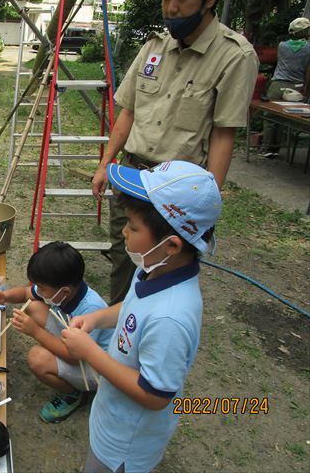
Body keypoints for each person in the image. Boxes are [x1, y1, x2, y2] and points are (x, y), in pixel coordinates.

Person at [91, 0, 257, 305]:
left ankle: (149, 336)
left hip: (175, 189)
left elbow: (223, 135)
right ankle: (118, 331)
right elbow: (128, 111)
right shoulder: (154, 47)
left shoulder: (234, 56)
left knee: (163, 271)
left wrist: (205, 207)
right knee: (123, 254)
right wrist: (105, 164)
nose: (171, 9)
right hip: (132, 176)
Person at [63, 161, 222, 473]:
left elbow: (154, 395)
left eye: (133, 227)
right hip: (113, 417)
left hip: (125, 445)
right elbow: (132, 308)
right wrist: (97, 320)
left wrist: (89, 351)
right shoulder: (152, 268)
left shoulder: (171, 318)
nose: (124, 231)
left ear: (172, 245)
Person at [0, 242, 113, 423]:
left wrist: (35, 331)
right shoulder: (61, 289)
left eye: (42, 287)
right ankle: (61, 368)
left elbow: (75, 357)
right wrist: (5, 296)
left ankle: (73, 394)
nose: (39, 289)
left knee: (37, 358)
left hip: (95, 368)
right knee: (34, 306)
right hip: (74, 340)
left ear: (65, 291)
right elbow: (24, 293)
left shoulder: (91, 308)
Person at [262, 17, 310, 157]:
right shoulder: (308, 48)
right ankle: (279, 149)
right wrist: (306, 88)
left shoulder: (282, 45)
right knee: (286, 118)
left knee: (270, 116)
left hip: (277, 84)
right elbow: (308, 71)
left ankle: (267, 148)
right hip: (296, 87)